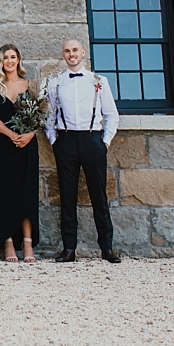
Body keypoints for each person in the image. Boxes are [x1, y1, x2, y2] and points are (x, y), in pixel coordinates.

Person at [45, 39, 121, 263]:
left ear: (83, 52)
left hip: (92, 139)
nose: (72, 54)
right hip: (66, 140)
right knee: (67, 196)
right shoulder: (56, 83)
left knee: (99, 195)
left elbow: (111, 114)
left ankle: (106, 248)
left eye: (75, 50)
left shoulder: (99, 81)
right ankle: (69, 248)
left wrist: (104, 143)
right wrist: (54, 141)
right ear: (63, 55)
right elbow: (49, 116)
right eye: (67, 51)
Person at [0, 44, 40, 263]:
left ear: (18, 59)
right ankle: (8, 242)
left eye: (12, 57)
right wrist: (11, 135)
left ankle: (27, 243)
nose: (9, 61)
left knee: (28, 193)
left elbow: (40, 115)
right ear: (1, 62)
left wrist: (29, 134)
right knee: (5, 192)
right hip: (3, 144)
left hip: (27, 145)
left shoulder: (30, 85)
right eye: (5, 58)